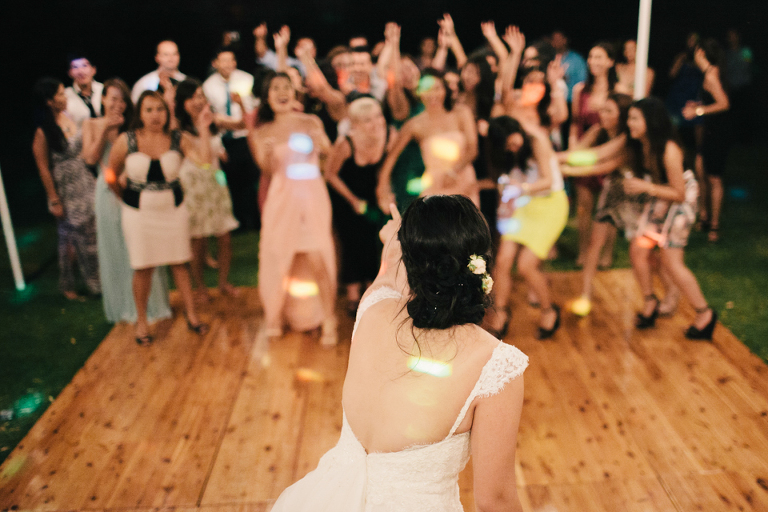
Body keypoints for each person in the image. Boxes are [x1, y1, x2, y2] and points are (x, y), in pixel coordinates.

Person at [271, 194, 527, 511]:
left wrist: (394, 241)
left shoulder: (372, 309)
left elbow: (388, 270)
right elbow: (495, 502)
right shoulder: (495, 363)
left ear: (411, 263)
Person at [106, 91, 211, 345]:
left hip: (173, 211)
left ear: (167, 112)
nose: (155, 115)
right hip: (138, 213)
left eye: (160, 109)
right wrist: (122, 196)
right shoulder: (127, 140)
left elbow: (205, 162)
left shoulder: (178, 138)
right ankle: (142, 322)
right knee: (143, 267)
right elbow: (111, 173)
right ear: (140, 114)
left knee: (180, 263)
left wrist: (203, 128)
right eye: (149, 109)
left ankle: (192, 315)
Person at [248, 72, 337, 345]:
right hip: (281, 197)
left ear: (295, 94)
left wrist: (319, 138)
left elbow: (328, 152)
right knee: (279, 256)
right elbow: (265, 169)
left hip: (311, 195)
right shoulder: (262, 131)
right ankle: (276, 314)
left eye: (286, 87)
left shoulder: (311, 121)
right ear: (267, 97)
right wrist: (266, 152)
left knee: (316, 255)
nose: (281, 92)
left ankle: (328, 319)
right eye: (275, 88)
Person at [623, 97, 716, 339]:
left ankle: (704, 314)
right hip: (661, 195)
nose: (628, 122)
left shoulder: (668, 149)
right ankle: (650, 301)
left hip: (680, 198)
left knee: (671, 260)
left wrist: (645, 187)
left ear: (650, 121)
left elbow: (679, 192)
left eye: (634, 118)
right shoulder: (640, 144)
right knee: (638, 249)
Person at [82, 78, 172, 323]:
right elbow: (90, 158)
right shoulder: (91, 124)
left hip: (133, 187)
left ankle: (151, 305)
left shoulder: (132, 126)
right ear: (103, 99)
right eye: (113, 98)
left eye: (122, 99)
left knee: (139, 246)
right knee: (115, 247)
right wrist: (104, 129)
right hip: (105, 189)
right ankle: (124, 305)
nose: (118, 104)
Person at [486, 116, 568, 339]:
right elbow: (505, 184)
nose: (513, 148)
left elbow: (548, 181)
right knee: (502, 260)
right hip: (523, 204)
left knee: (526, 265)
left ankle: (549, 310)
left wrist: (519, 188)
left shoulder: (535, 141)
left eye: (514, 142)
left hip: (551, 204)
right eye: (508, 146)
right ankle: (501, 312)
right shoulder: (502, 154)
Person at [32, 77, 101, 301]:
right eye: (61, 94)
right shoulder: (43, 131)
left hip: (83, 180)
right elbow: (43, 167)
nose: (65, 97)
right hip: (66, 189)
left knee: (89, 236)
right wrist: (54, 199)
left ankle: (94, 281)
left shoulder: (67, 117)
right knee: (71, 241)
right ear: (49, 101)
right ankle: (73, 286)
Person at [325, 97, 394, 315]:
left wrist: (386, 191)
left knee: (374, 242)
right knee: (352, 243)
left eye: (378, 116)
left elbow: (391, 167)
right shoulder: (346, 144)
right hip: (347, 197)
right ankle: (353, 294)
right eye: (367, 120)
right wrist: (353, 200)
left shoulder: (391, 136)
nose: (375, 123)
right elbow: (330, 175)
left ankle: (372, 288)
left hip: (375, 195)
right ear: (355, 124)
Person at [377, 70, 479, 213]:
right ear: (419, 92)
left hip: (462, 179)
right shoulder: (414, 124)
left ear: (445, 89)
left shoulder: (461, 113)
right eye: (427, 89)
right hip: (434, 183)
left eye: (437, 88)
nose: (433, 94)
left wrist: (453, 171)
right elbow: (392, 157)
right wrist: (383, 187)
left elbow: (472, 149)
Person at [175, 78, 240, 301]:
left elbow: (241, 124)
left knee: (225, 236)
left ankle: (223, 282)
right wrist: (203, 127)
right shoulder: (180, 131)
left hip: (217, 183)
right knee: (199, 240)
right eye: (192, 97)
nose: (198, 100)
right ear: (182, 103)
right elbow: (202, 160)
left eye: (200, 95)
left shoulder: (213, 120)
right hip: (194, 187)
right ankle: (200, 287)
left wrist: (240, 104)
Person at [570, 41, 621, 267]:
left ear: (610, 62)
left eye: (599, 57)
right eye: (591, 57)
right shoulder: (580, 90)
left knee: (608, 207)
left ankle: (606, 254)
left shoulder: (618, 92)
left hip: (609, 154)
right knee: (583, 207)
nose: (593, 62)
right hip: (584, 151)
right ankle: (583, 252)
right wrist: (573, 147)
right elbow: (574, 122)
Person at [203, 47, 260, 231]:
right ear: (215, 63)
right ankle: (239, 222)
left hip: (247, 136)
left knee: (252, 178)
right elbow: (212, 117)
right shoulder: (209, 86)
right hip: (226, 139)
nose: (228, 64)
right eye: (223, 60)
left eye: (231, 60)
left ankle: (256, 221)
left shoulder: (246, 80)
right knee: (232, 181)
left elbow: (255, 108)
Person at [681, 39, 730, 243]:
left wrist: (698, 110)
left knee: (713, 178)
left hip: (718, 133)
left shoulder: (711, 74)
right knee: (701, 171)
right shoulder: (711, 73)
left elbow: (724, 104)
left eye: (697, 53)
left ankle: (714, 226)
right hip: (709, 131)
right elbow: (714, 99)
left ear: (702, 53)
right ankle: (703, 217)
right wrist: (699, 104)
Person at [64, 54, 103, 128]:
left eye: (84, 66)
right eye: (75, 67)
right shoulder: (65, 96)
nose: (80, 71)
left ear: (93, 70)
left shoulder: (103, 90)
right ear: (70, 73)